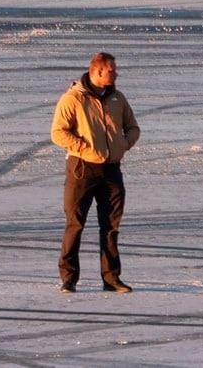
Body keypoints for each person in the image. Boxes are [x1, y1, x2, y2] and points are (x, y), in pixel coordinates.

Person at [51, 52, 141, 294]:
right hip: (82, 169)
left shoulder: (117, 98)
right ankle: (69, 278)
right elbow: (58, 132)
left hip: (112, 170)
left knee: (111, 226)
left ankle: (111, 278)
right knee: (75, 223)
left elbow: (133, 127)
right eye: (111, 70)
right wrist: (84, 148)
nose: (116, 73)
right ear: (97, 71)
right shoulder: (74, 98)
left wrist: (123, 144)